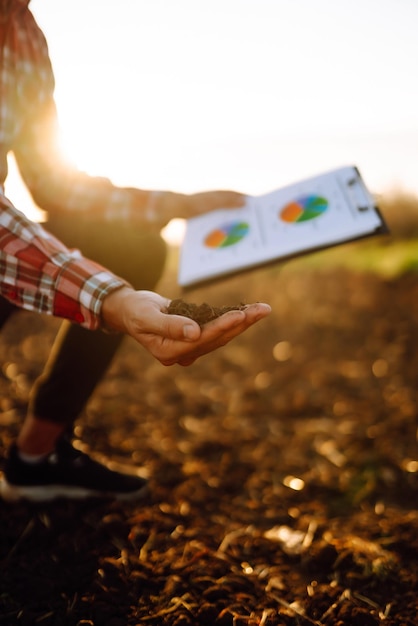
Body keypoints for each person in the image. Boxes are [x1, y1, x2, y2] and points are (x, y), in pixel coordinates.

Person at [0, 0, 270, 502]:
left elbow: (54, 184)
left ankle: (37, 458)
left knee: (129, 247)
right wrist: (112, 300)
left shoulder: (24, 34)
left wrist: (179, 205)